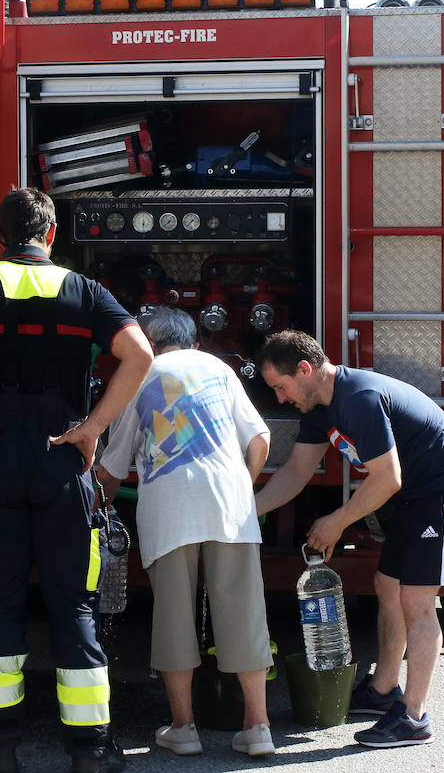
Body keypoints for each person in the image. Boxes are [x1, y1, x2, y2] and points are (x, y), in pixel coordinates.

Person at [0, 188, 152, 773]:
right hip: (62, 460)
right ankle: (90, 750)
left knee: (0, 605)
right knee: (73, 606)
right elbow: (138, 353)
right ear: (52, 233)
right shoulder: (84, 290)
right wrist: (93, 428)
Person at [251, 330, 444, 749]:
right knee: (387, 585)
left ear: (305, 370)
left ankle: (414, 718)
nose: (281, 398)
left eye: (281, 387)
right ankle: (382, 690)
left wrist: (337, 521)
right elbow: (295, 473)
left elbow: (387, 477)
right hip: (414, 494)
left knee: (416, 599)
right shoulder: (319, 407)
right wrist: (248, 512)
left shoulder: (358, 397)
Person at [95, 307, 274, 759]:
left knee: (173, 615)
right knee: (243, 612)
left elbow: (112, 468)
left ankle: (184, 728)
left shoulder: (138, 375)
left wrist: (96, 506)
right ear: (195, 342)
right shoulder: (219, 368)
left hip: (169, 509)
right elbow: (260, 440)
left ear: (149, 344)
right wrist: (240, 490)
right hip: (230, 506)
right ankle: (258, 728)